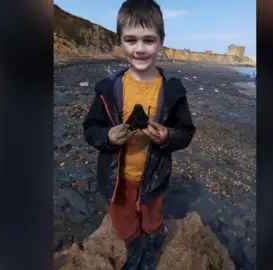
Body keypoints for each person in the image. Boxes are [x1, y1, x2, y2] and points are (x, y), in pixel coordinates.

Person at [82, 0, 196, 269]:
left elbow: (186, 132)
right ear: (120, 41)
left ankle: (154, 240)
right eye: (131, 40)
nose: (140, 48)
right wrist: (109, 136)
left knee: (152, 217)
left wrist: (167, 136)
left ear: (161, 42)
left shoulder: (173, 90)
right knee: (123, 219)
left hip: (154, 176)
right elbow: (90, 129)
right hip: (116, 177)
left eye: (149, 40)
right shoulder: (108, 89)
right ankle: (134, 248)